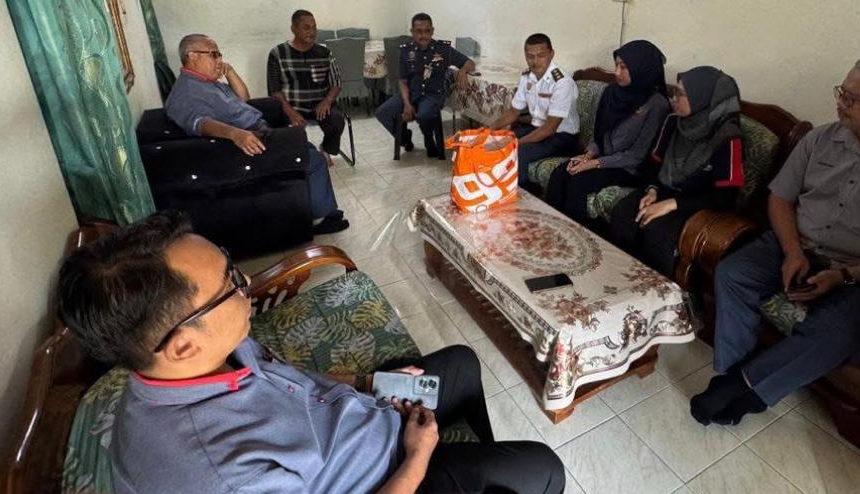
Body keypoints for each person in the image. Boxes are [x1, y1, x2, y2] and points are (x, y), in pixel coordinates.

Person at [58, 211, 566, 494]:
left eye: (231, 266)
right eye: (229, 284)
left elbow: (283, 377)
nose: (246, 283)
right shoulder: (220, 476)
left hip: (362, 417)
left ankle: (474, 459)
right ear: (183, 344)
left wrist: (366, 385)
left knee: (461, 364)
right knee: (543, 468)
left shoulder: (207, 350)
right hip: (387, 476)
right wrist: (418, 457)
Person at [690, 53, 860, 427]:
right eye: (841, 92)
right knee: (734, 273)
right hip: (798, 246)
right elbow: (781, 198)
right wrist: (792, 251)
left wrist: (845, 276)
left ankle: (743, 389)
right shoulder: (821, 138)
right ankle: (733, 371)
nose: (841, 103)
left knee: (838, 330)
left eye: (853, 98)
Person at [166, 33, 348, 235]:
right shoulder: (186, 92)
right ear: (193, 56)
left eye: (219, 54)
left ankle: (314, 207)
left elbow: (243, 98)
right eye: (214, 54)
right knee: (314, 159)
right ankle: (320, 219)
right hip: (246, 145)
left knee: (307, 146)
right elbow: (199, 123)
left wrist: (230, 72)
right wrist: (236, 134)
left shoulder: (207, 82)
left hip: (258, 131)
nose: (219, 60)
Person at [608, 66, 745, 279]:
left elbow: (726, 197)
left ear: (701, 98)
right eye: (675, 92)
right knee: (624, 212)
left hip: (697, 203)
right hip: (664, 190)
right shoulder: (673, 122)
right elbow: (653, 164)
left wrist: (671, 204)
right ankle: (617, 278)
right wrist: (652, 190)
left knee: (657, 229)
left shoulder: (728, 137)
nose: (674, 99)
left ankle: (655, 290)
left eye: (680, 94)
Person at [545, 40, 670, 223]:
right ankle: (551, 227)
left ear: (642, 68)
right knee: (560, 173)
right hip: (601, 157)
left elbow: (636, 156)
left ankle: (577, 234)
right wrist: (588, 155)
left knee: (578, 183)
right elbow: (599, 134)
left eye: (624, 67)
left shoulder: (657, 104)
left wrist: (594, 163)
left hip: (628, 168)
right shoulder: (612, 92)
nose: (617, 72)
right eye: (616, 65)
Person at [375, 13, 476, 158]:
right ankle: (405, 139)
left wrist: (463, 70)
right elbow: (402, 81)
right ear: (412, 32)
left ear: (432, 31)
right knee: (382, 112)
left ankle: (429, 140)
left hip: (432, 94)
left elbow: (469, 62)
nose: (423, 35)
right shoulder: (406, 51)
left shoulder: (443, 49)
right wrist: (407, 104)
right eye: (419, 31)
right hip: (411, 93)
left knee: (424, 114)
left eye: (427, 31)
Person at [490, 33, 579, 187]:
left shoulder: (562, 82)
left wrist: (515, 143)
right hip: (537, 129)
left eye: (541, 55)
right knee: (497, 141)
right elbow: (514, 112)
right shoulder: (527, 77)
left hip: (562, 138)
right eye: (530, 56)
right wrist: (488, 129)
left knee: (517, 152)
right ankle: (494, 188)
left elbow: (550, 128)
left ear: (551, 54)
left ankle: (521, 193)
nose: (535, 61)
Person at [266, 9, 345, 162]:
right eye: (306, 28)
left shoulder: (324, 53)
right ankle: (299, 157)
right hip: (291, 106)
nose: (312, 32)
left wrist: (327, 100)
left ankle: (326, 149)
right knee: (283, 132)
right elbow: (274, 90)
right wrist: (290, 112)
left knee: (337, 120)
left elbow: (336, 82)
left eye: (314, 27)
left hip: (319, 105)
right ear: (293, 29)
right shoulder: (278, 54)